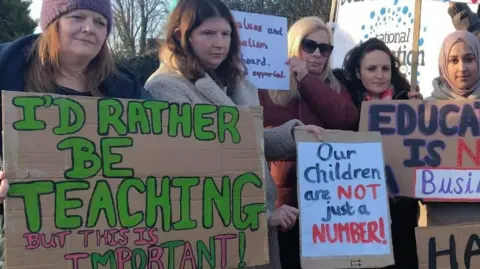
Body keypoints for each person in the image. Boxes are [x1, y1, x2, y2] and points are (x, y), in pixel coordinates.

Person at [144, 0, 323, 267]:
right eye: (208, 33)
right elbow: (193, 177)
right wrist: (259, 217)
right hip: (213, 235)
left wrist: (294, 135)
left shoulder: (232, 82)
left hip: (250, 225)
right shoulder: (166, 88)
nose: (220, 43)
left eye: (226, 34)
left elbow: (246, 140)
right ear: (183, 36)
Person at [0, 0, 150, 267]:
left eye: (100, 22)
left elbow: (166, 142)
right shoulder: (7, 70)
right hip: (23, 235)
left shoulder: (127, 87)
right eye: (78, 17)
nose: (89, 29)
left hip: (104, 238)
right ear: (52, 23)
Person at [258, 16, 359, 269]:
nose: (317, 54)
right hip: (284, 203)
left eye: (325, 49)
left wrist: (307, 81)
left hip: (328, 202)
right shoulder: (269, 87)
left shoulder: (335, 86)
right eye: (309, 45)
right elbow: (260, 134)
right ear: (294, 45)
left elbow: (347, 120)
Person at [334, 37, 421, 269]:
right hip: (360, 207)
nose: (380, 75)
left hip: (401, 208)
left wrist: (420, 114)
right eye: (371, 69)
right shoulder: (347, 107)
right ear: (358, 73)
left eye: (385, 68)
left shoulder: (408, 101)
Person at [425, 30, 480, 225]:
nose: (462, 67)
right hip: (442, 233)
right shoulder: (424, 110)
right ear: (443, 64)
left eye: (469, 58)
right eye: (454, 60)